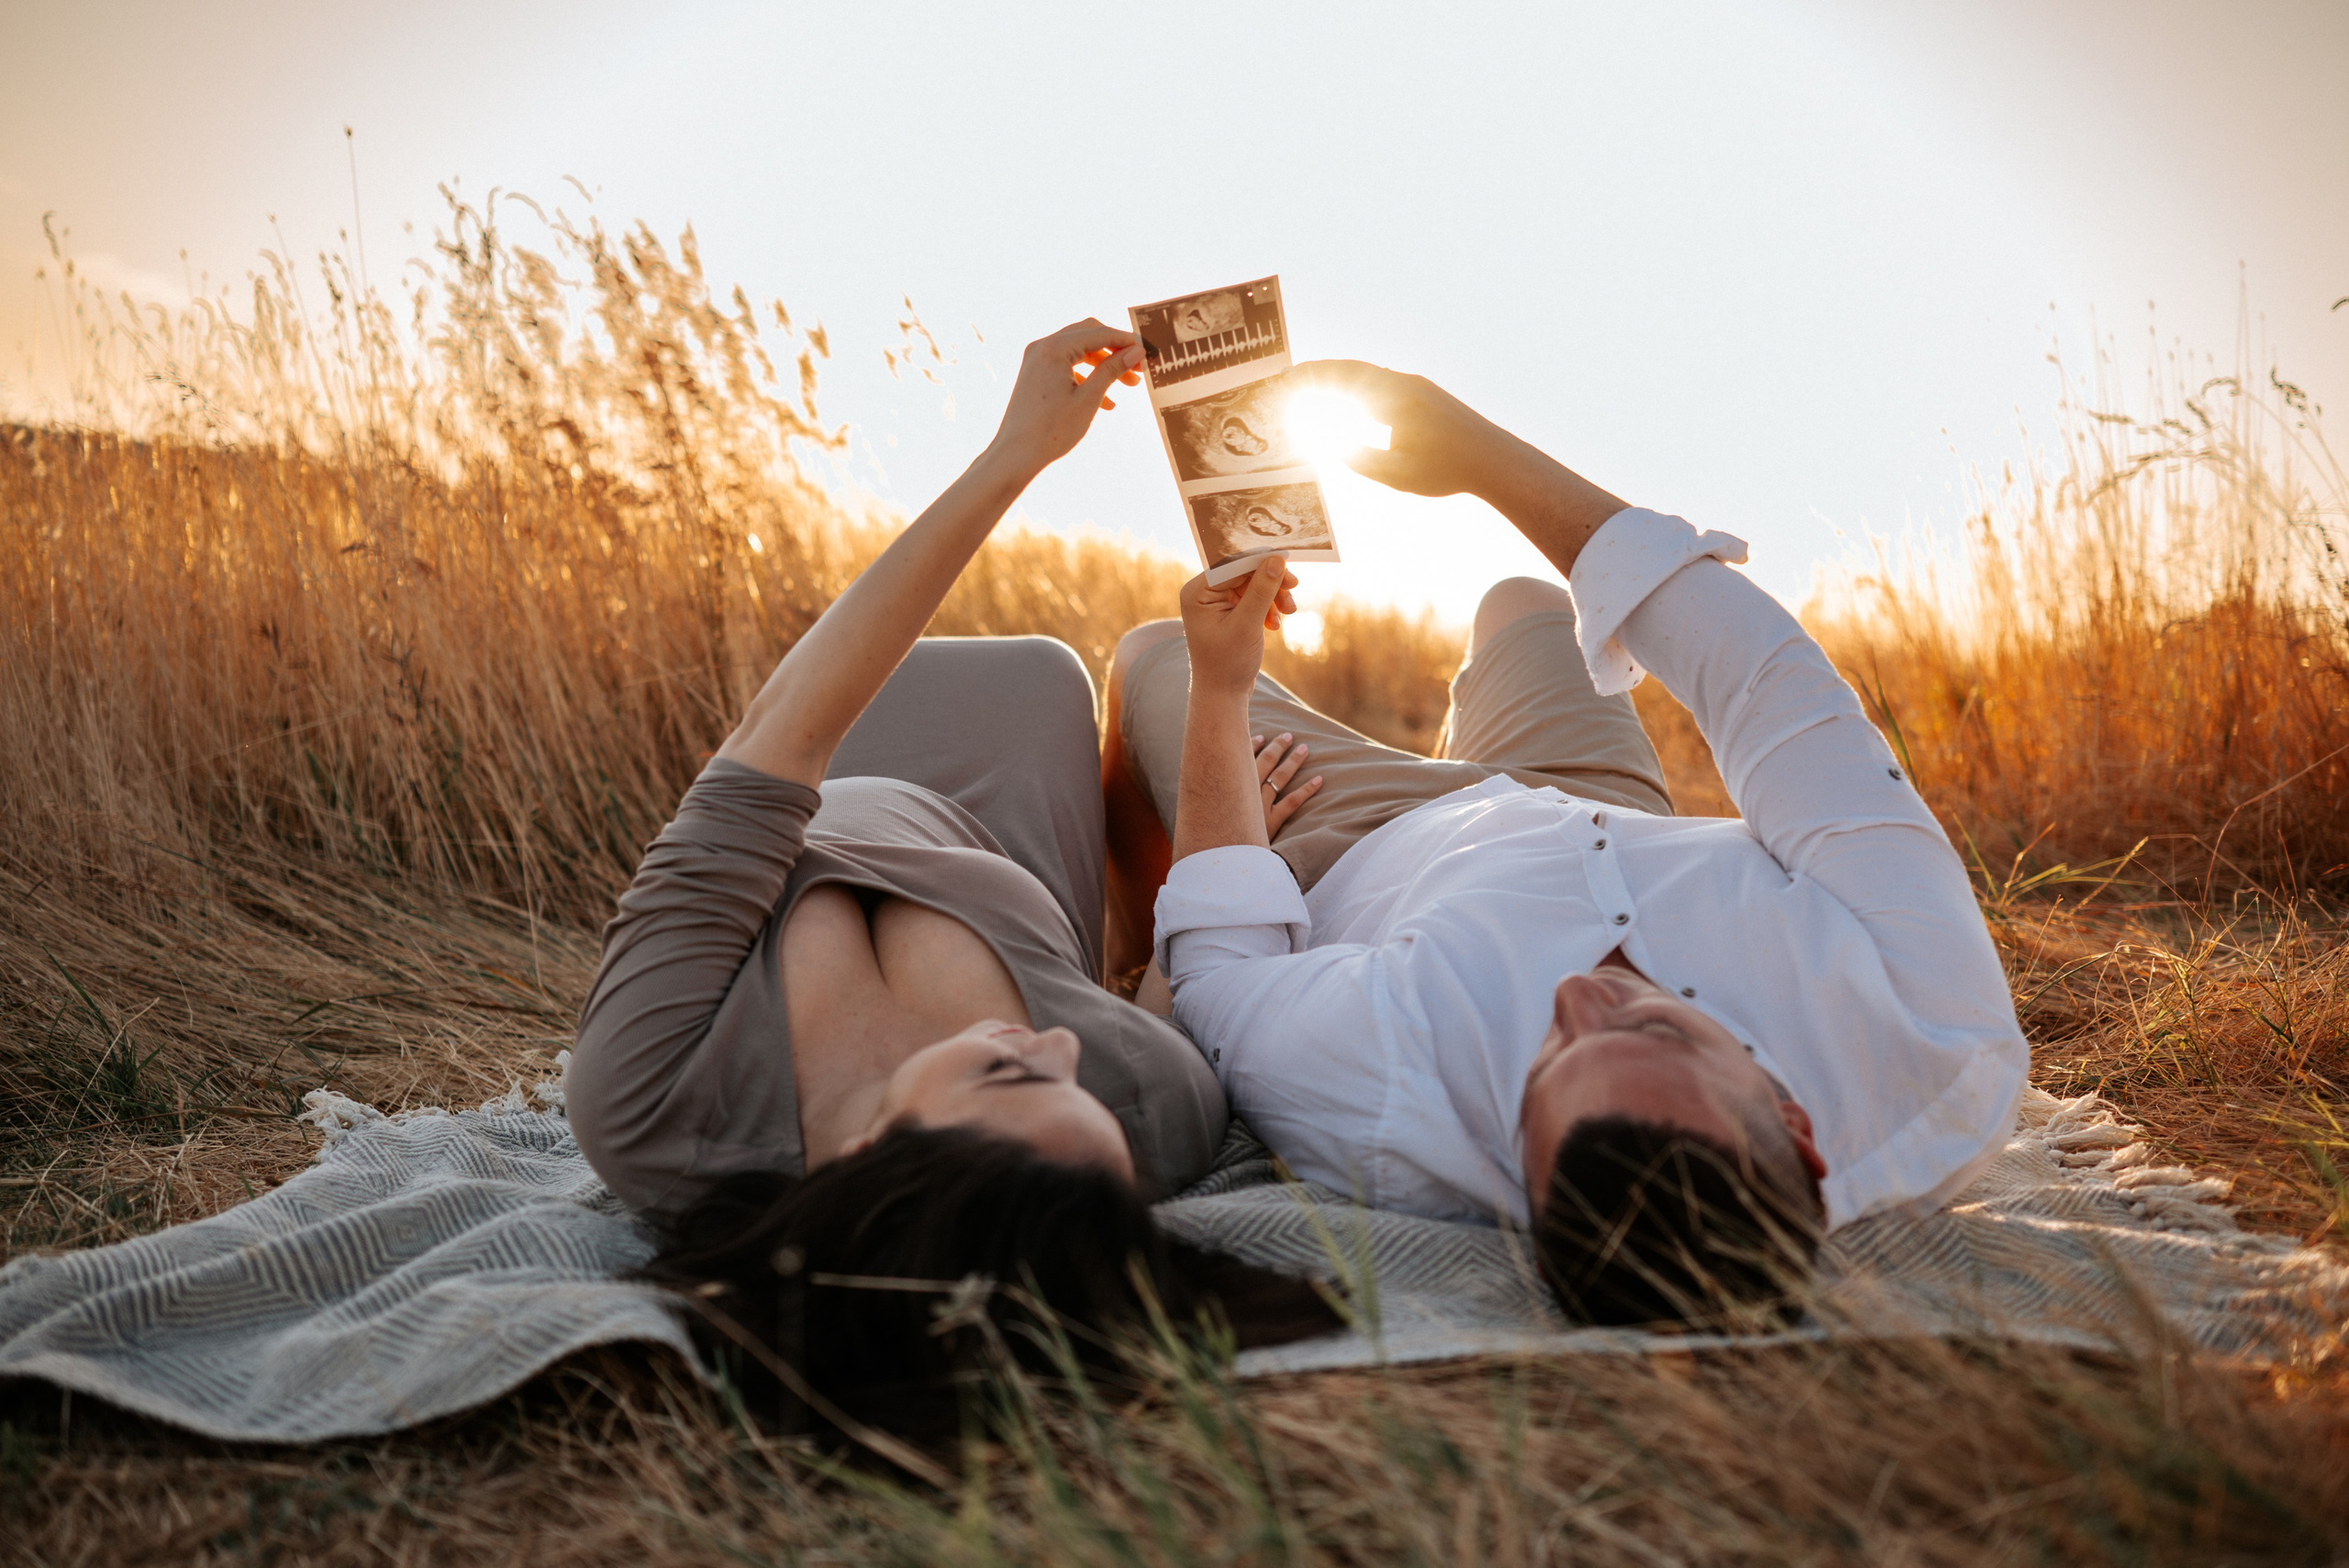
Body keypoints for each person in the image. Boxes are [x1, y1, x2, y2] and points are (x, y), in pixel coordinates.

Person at [1103, 360, 2030, 1327]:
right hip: (1598, 807)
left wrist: (1222, 692)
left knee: (1150, 655)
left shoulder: (1391, 1108)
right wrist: (1478, 456)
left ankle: (1135, 923)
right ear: (1796, 1126)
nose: (1579, 993)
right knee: (1525, 601)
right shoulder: (1936, 1033)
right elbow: (1773, 691)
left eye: (1545, 1059)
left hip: (1360, 835)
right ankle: (1472, 720)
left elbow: (1220, 966)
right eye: (1649, 1024)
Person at [565, 320, 1336, 1441]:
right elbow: (1189, 953)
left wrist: (1015, 452)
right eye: (1076, 1085)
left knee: (888, 668)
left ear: (883, 1162)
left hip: (831, 750)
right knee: (1048, 678)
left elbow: (778, 738)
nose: (1064, 1052)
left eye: (1021, 1081)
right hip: (1021, 825)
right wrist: (1237, 768)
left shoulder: (649, 1104)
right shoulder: (1151, 1113)